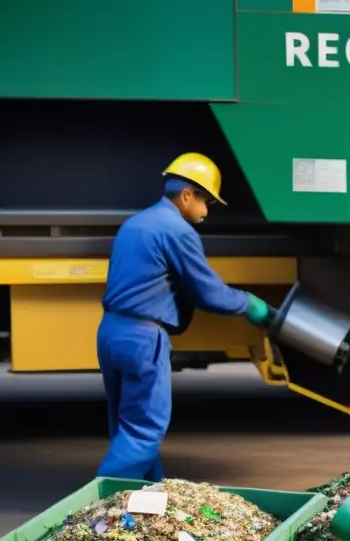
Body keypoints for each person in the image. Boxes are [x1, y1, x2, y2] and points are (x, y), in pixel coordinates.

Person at [96, 153, 274, 480]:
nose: (206, 212)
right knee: (144, 432)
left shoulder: (134, 223)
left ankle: (151, 500)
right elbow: (209, 293)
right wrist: (250, 305)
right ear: (187, 195)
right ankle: (89, 514)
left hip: (111, 332)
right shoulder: (177, 230)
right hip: (143, 338)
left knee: (128, 428)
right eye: (205, 201)